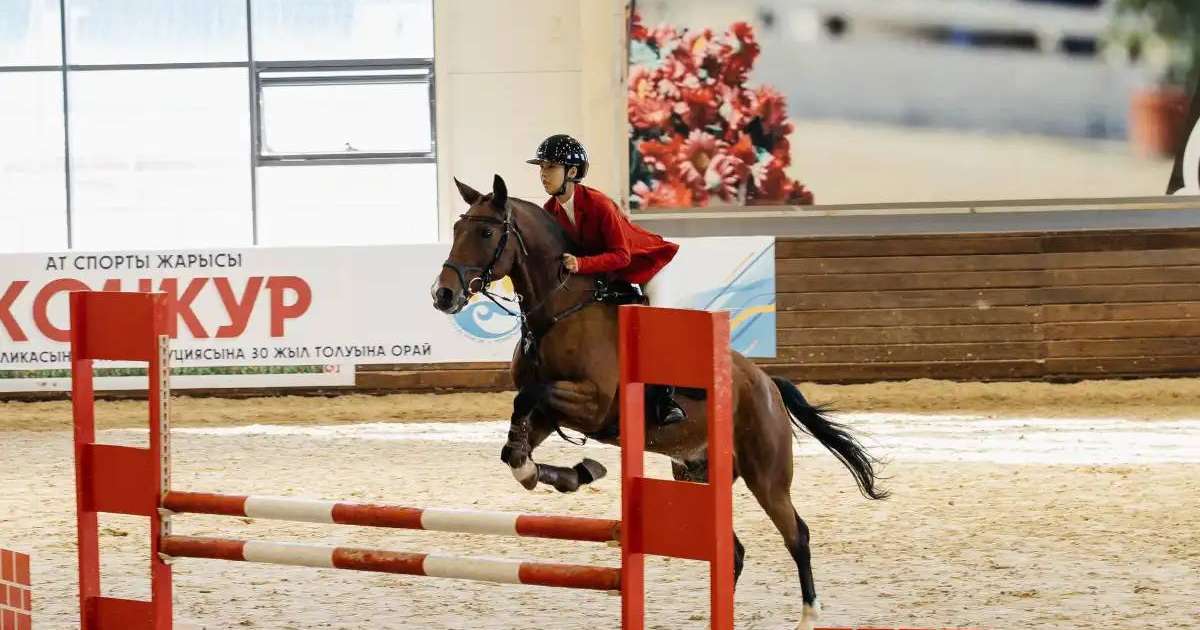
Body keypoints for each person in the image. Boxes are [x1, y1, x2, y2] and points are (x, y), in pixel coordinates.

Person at [527, 133, 687, 426]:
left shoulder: (599, 204)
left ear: (572, 172)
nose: (543, 175)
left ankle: (666, 400)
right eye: (541, 168)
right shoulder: (550, 212)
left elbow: (622, 256)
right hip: (610, 276)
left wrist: (580, 263)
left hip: (647, 267)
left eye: (550, 167)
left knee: (657, 325)